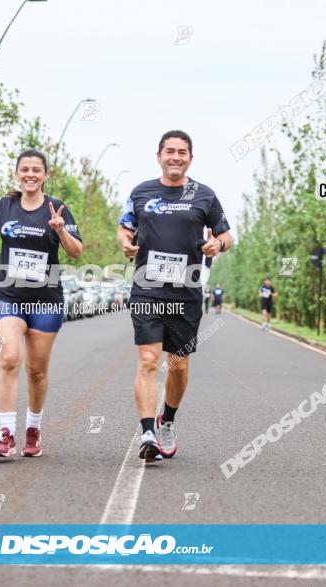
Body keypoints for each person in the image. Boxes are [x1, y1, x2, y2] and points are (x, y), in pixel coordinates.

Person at [0, 149, 83, 458]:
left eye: (37, 170)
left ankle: (33, 428)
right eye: (25, 169)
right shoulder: (4, 206)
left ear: (45, 175)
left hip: (46, 301)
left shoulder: (58, 208)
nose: (31, 174)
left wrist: (60, 230)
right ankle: (5, 432)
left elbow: (76, 252)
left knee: (37, 372)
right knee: (9, 357)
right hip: (7, 297)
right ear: (17, 174)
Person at [117, 130, 232, 462]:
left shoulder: (204, 196)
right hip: (147, 288)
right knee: (148, 360)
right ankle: (147, 432)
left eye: (183, 152)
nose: (176, 157)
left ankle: (166, 420)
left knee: (178, 365)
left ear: (190, 159)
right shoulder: (141, 193)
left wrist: (217, 245)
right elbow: (125, 226)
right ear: (158, 156)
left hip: (186, 293)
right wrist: (125, 242)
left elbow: (227, 235)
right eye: (170, 151)